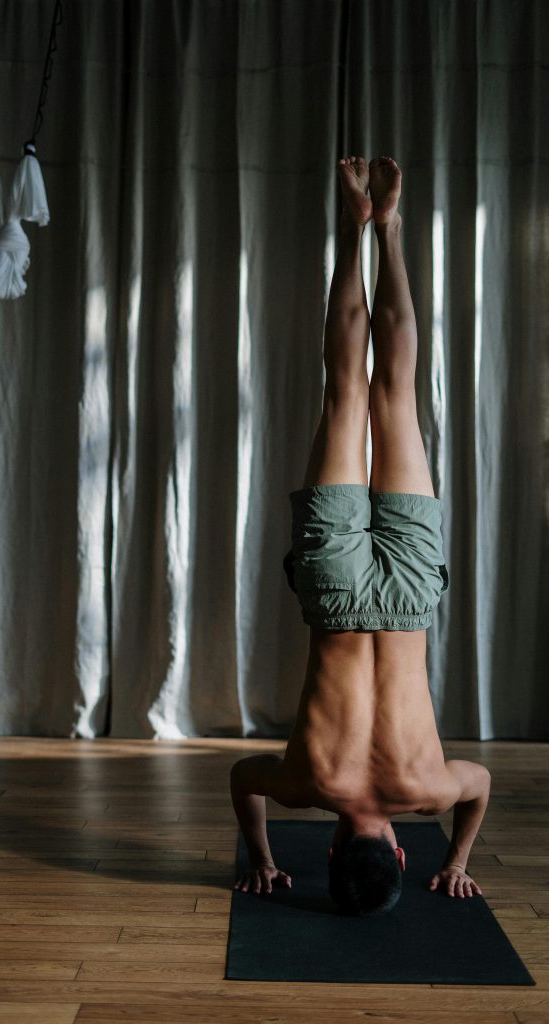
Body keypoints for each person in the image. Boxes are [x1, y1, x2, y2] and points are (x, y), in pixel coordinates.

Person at [230, 156, 491, 916]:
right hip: (336, 593)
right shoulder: (307, 786)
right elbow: (241, 778)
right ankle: (355, 230)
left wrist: (460, 860)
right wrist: (264, 860)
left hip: (408, 599)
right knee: (346, 388)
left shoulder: (429, 791)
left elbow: (479, 788)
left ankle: (393, 232)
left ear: (403, 851)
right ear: (338, 847)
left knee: (395, 392)